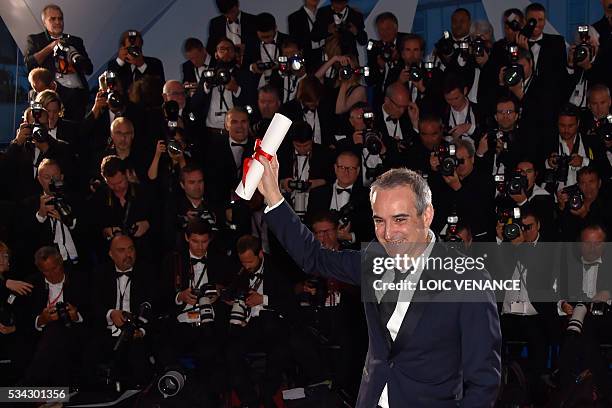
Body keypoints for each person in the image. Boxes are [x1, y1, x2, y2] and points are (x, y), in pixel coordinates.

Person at [255, 156, 501, 407]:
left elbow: (483, 382)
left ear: (427, 215)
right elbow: (314, 257)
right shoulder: (374, 257)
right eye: (379, 220)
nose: (387, 233)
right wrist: (274, 196)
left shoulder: (468, 277)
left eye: (400, 219)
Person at [24, 4, 92, 120]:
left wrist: (75, 56)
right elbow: (30, 64)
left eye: (60, 18)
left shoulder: (75, 41)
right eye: (53, 19)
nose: (57, 22)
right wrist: (51, 47)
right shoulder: (35, 40)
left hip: (79, 96)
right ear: (44, 22)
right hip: (53, 96)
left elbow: (89, 69)